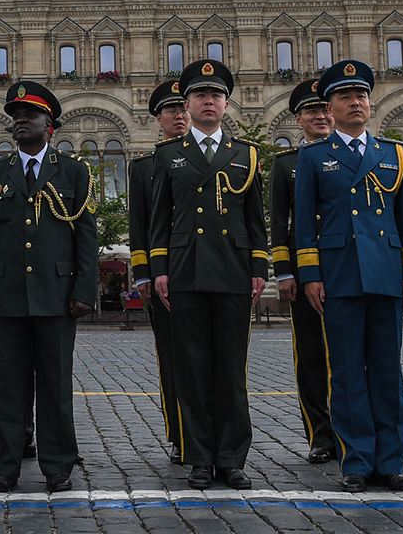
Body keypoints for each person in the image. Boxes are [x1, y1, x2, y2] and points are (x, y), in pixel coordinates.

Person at [294, 59, 403, 493]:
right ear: (330, 108)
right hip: (340, 274)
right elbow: (305, 224)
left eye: (361, 95)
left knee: (388, 371)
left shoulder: (394, 154)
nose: (356, 102)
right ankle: (356, 462)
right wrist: (310, 274)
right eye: (346, 97)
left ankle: (392, 462)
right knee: (347, 373)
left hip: (386, 273)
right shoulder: (313, 156)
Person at [148, 59, 268, 490]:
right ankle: (200, 457)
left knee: (232, 370)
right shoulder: (168, 155)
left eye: (216, 95)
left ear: (226, 104)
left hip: (234, 271)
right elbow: (159, 221)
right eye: (200, 95)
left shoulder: (246, 155)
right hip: (186, 270)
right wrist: (159, 270)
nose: (208, 101)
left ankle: (232, 457)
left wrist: (259, 267)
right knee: (193, 369)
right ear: (188, 103)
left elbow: (256, 220)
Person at [0, 81, 97, 493]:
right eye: (16, 116)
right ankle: (5, 465)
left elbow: (86, 236)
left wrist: (84, 290)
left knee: (56, 385)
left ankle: (58, 464)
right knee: (9, 385)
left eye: (29, 115)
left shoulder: (74, 170)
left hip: (57, 296)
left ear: (51, 125)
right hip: (7, 296)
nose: (20, 121)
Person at [268, 78, 335, 464]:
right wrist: (284, 271)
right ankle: (320, 435)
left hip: (347, 267)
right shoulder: (287, 163)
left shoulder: (354, 154)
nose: (321, 115)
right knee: (310, 356)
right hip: (304, 270)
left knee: (348, 356)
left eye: (325, 109)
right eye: (312, 110)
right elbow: (280, 222)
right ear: (299, 119)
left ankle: (350, 431)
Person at [127, 77, 188, 464]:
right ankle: (180, 433)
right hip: (164, 276)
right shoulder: (144, 167)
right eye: (171, 110)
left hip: (204, 271)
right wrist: (143, 273)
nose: (179, 115)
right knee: (171, 357)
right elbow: (139, 224)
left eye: (183, 108)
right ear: (158, 120)